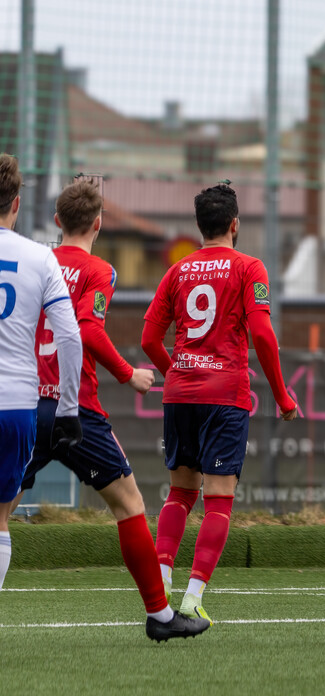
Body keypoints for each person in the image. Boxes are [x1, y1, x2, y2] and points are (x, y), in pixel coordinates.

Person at [15, 178, 207, 641]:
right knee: (129, 504)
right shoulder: (99, 270)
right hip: (74, 408)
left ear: (57, 221)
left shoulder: (34, 261)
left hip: (25, 402)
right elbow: (87, 328)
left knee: (3, 510)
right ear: (99, 224)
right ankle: (160, 616)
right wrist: (128, 374)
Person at [141, 183, 298, 624]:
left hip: (180, 394)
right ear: (235, 224)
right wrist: (282, 395)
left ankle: (160, 585)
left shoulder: (177, 271)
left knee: (179, 492)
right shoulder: (250, 267)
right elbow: (262, 333)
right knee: (219, 500)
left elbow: (149, 338)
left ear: (199, 226)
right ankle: (192, 599)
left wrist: (178, 371)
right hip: (225, 395)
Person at [0, 155, 83, 602]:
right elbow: (70, 337)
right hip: (17, 404)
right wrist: (68, 408)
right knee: (0, 518)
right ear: (16, 203)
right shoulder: (40, 258)